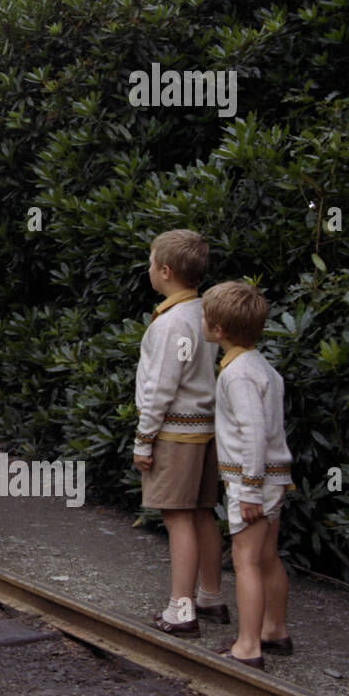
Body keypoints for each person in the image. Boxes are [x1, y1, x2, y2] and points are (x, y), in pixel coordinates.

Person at [133, 230, 225, 635]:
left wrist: (144, 439)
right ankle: (211, 597)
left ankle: (180, 609)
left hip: (175, 433)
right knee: (203, 514)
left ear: (165, 271)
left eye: (151, 262)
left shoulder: (169, 324)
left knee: (177, 519)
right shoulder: (206, 312)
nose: (148, 269)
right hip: (207, 431)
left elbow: (159, 389)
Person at [201, 280, 293, 670]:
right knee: (268, 557)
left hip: (252, 480)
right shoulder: (262, 367)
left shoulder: (236, 374)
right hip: (274, 476)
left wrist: (250, 489)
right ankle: (275, 630)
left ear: (218, 330)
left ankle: (248, 645)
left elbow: (254, 433)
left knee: (246, 561)